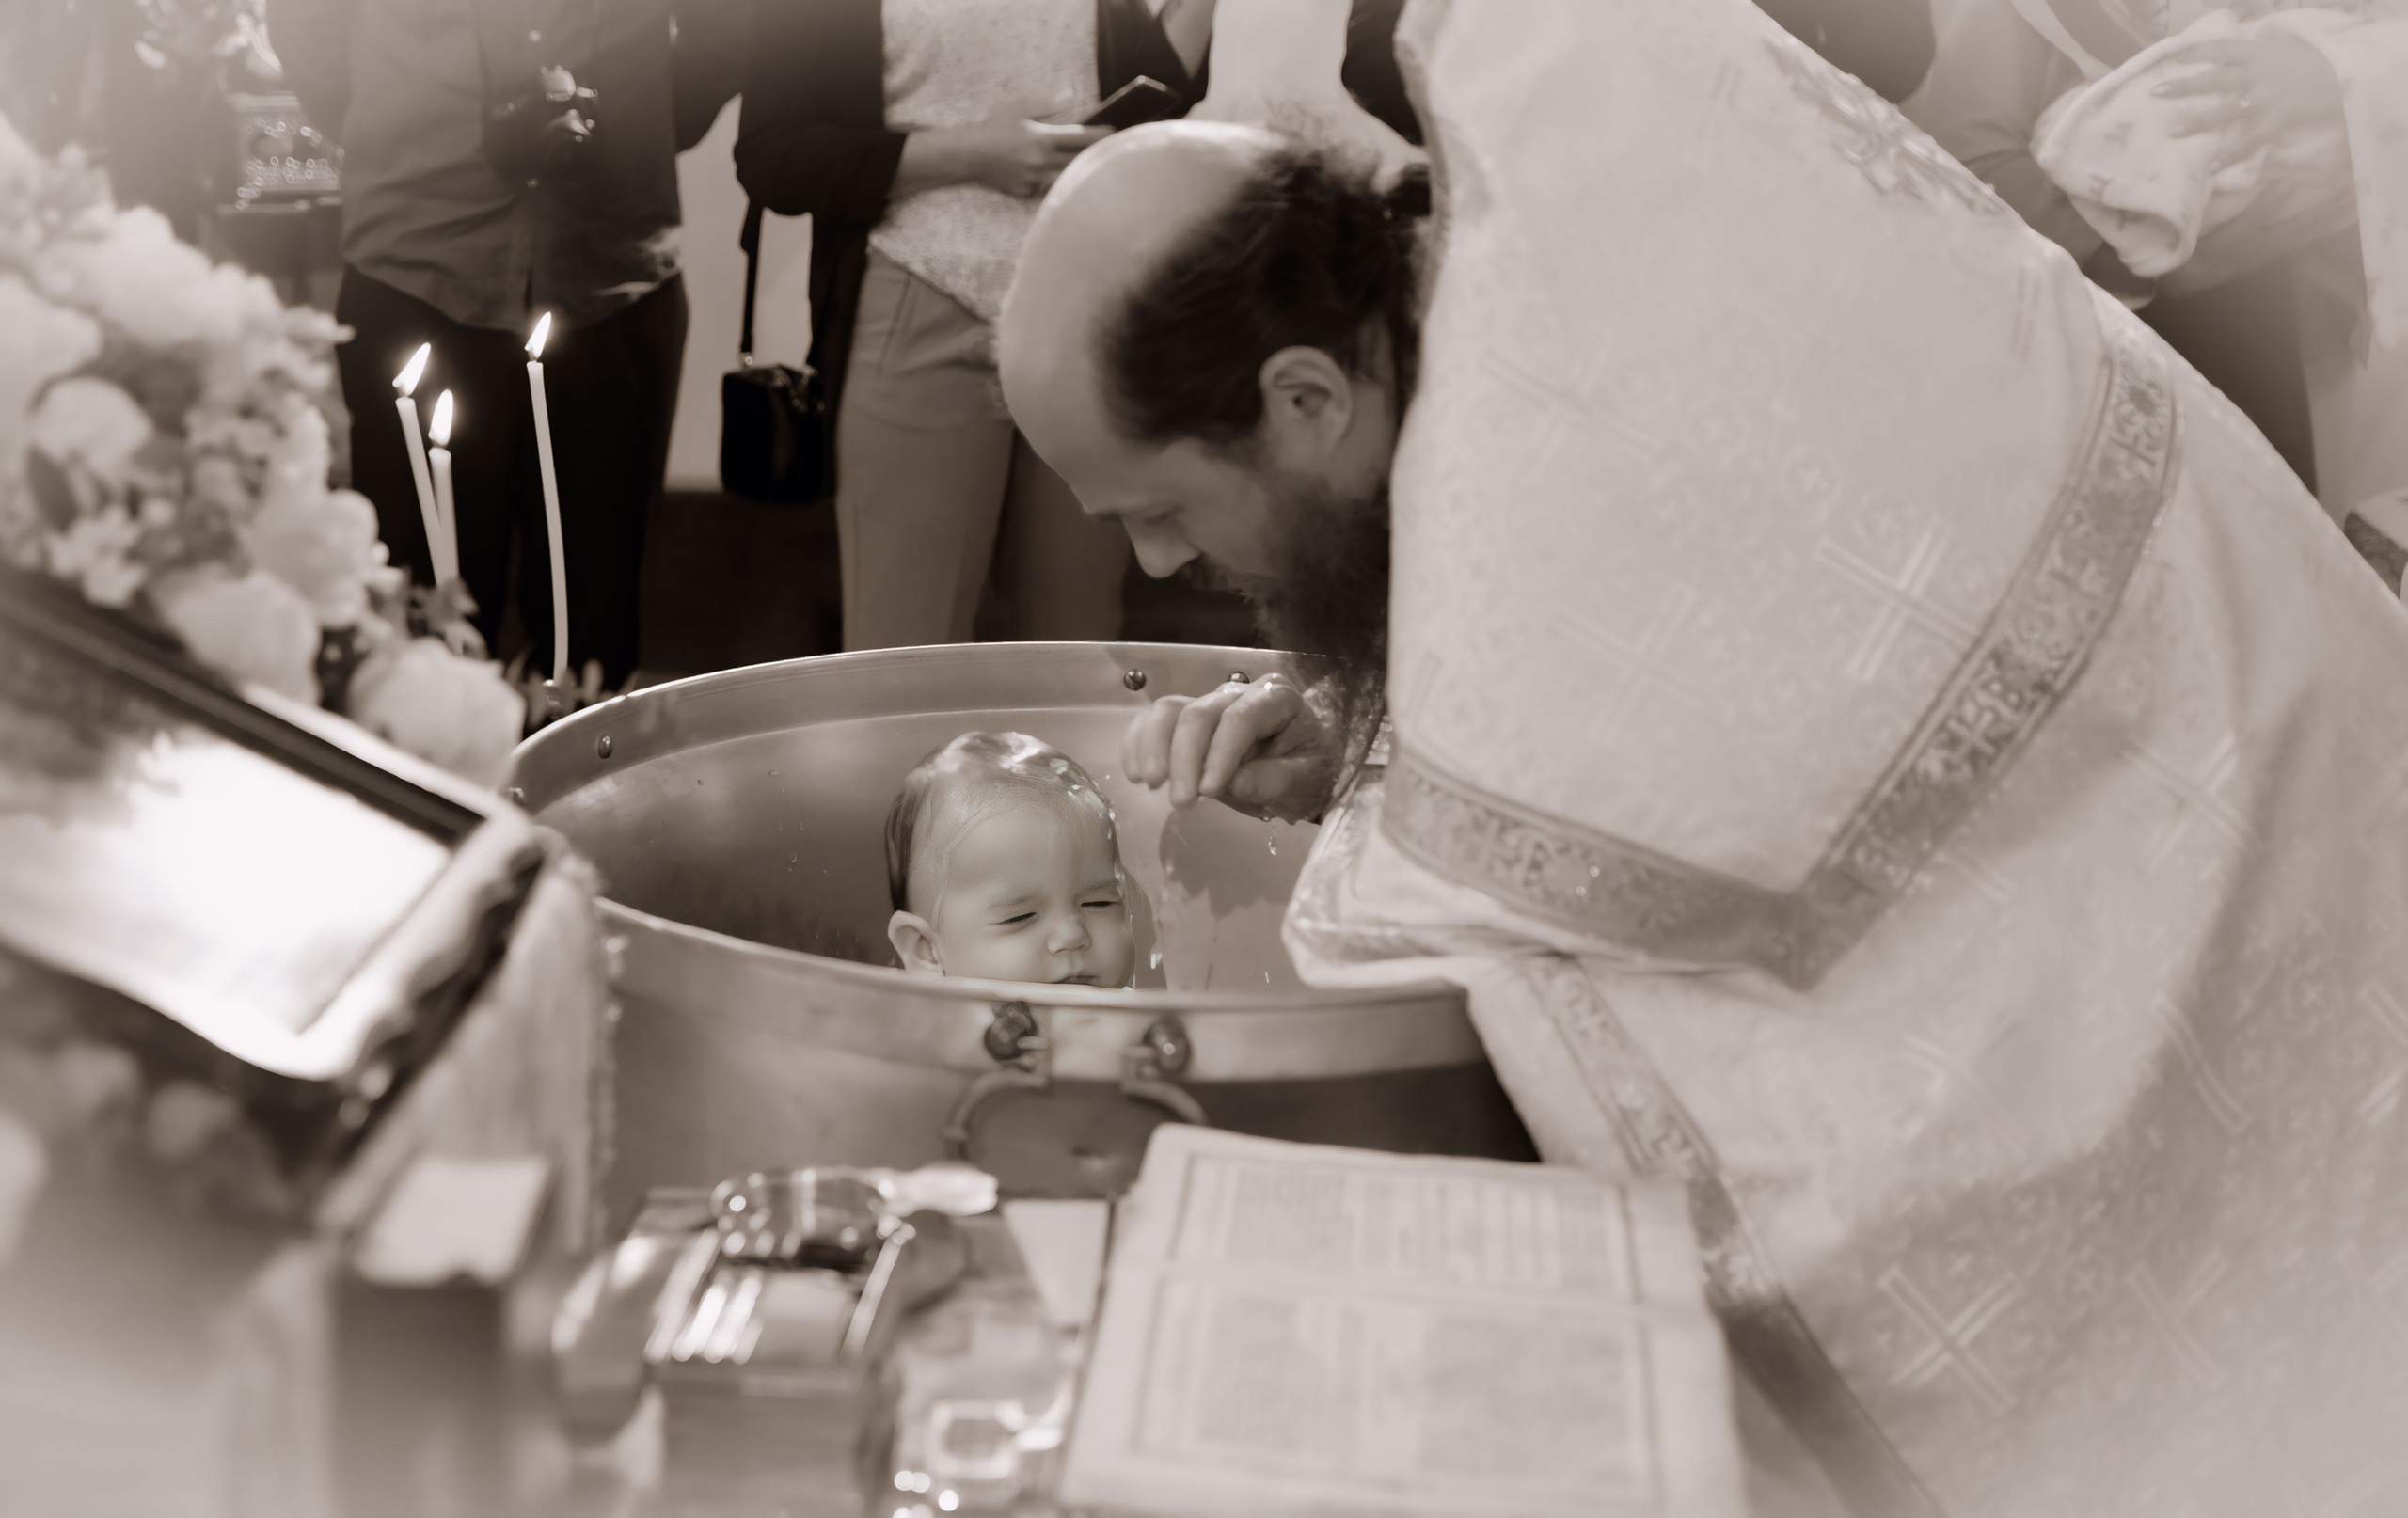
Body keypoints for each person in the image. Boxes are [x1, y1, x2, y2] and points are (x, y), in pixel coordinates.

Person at [998, 1, 2408, 1512]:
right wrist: (1369, 726)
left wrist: (1394, 771)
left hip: (2252, 853)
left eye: (1156, 506)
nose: (1160, 558)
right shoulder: (1536, 197)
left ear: (1304, 396)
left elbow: (1476, 887)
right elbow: (1706, 657)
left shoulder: (1528, 451)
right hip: (2258, 708)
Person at [731, 0, 1421, 653]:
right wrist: (971, 153)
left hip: (1093, 315)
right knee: (907, 636)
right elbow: (770, 154)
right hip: (920, 293)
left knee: (1080, 628)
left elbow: (1157, 96)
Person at [268, 0, 746, 692]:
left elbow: (729, 28)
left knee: (592, 635)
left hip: (610, 276)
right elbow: (307, 26)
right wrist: (410, 125)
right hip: (416, 266)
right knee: (420, 633)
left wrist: (635, 123)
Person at [1907, 0, 2408, 524]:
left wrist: (2340, 77)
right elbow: (1964, 158)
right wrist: (2146, 264)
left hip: (2278, 323)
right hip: (2082, 321)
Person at [883, 731, 1137, 987]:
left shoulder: (1148, 1023)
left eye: (1100, 903)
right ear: (927, 951)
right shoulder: (917, 1026)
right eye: (1019, 917)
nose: (1072, 935)